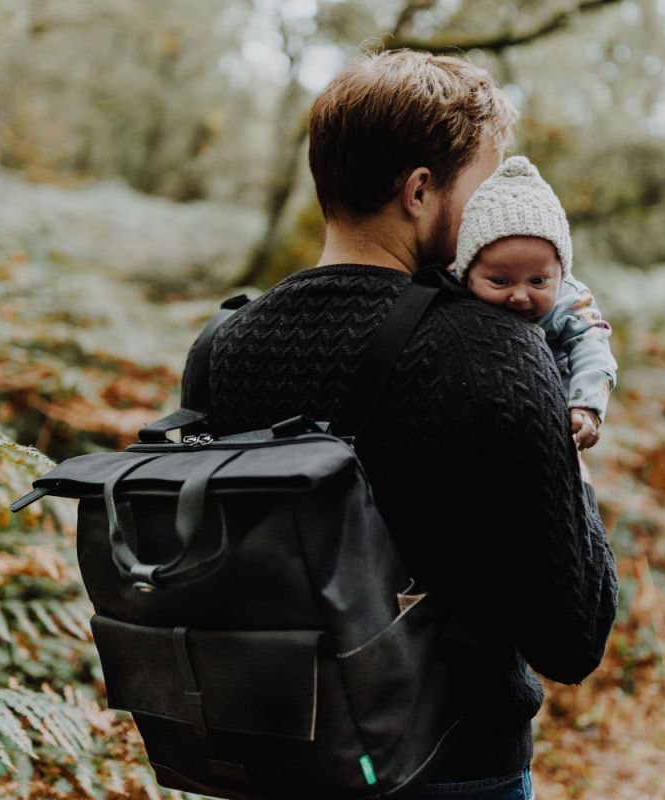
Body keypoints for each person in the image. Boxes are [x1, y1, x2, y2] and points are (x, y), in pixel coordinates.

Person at [209, 49, 617, 800]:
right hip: (449, 765)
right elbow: (573, 636)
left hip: (271, 759)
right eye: (484, 186)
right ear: (421, 191)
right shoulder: (495, 350)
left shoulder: (224, 344)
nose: (496, 210)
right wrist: (573, 465)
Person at [452, 156, 617, 451]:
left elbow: (594, 348)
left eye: (538, 281)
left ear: (560, 273)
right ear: (466, 274)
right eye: (500, 281)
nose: (519, 295)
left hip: (554, 422)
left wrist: (586, 406)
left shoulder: (570, 302)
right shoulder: (451, 297)